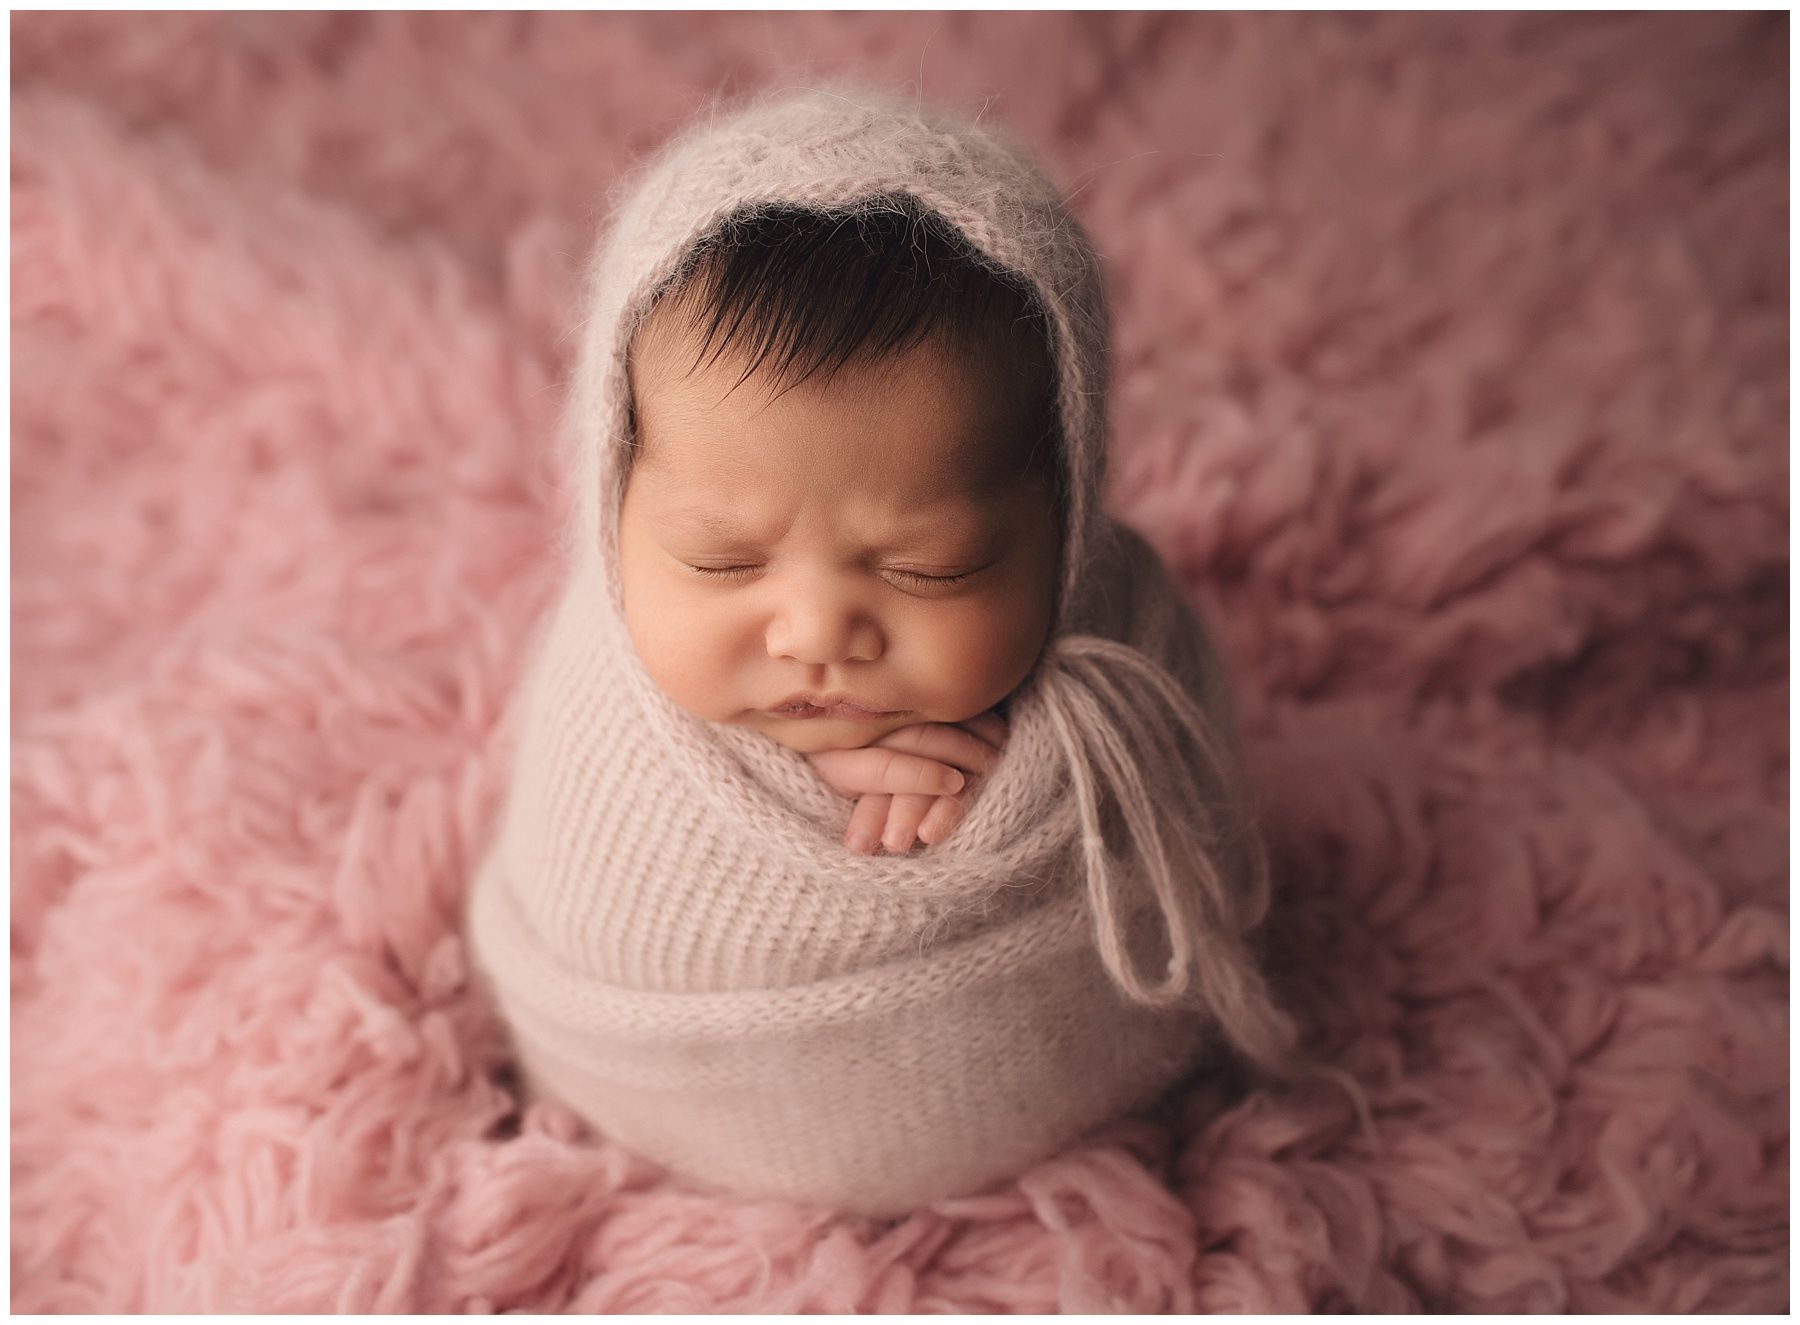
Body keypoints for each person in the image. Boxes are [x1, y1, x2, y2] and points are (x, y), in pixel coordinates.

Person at [465, 86, 1307, 1216]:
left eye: (925, 567)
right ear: (610, 500)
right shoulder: (599, 697)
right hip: (645, 1088)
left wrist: (1030, 782)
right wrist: (801, 799)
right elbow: (597, 878)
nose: (815, 633)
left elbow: (1173, 810)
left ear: (1064, 524)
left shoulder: (1130, 657)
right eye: (722, 561)